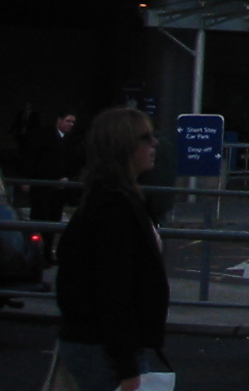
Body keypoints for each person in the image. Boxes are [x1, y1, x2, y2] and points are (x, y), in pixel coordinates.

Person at [54, 106, 169, 391]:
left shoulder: (118, 198)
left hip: (103, 346)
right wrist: (127, 365)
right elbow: (113, 290)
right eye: (145, 137)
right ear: (123, 146)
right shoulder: (113, 206)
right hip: (104, 349)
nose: (154, 144)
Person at [29, 111, 77, 264]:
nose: (71, 125)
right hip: (43, 186)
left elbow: (74, 163)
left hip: (59, 190)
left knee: (53, 221)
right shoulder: (43, 136)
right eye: (68, 121)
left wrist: (68, 178)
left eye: (73, 122)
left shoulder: (71, 141)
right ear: (59, 120)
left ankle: (48, 254)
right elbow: (34, 159)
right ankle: (35, 255)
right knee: (39, 220)